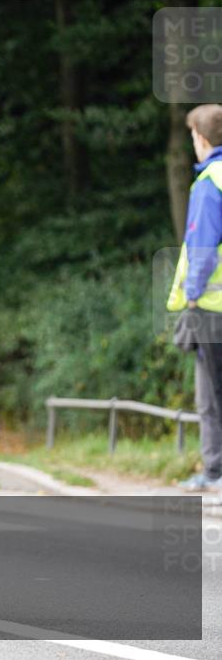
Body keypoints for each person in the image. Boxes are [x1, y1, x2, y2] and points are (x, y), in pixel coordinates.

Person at [167, 104, 222, 492]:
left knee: (211, 395)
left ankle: (216, 473)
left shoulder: (209, 183)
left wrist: (191, 297)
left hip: (212, 307)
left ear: (201, 139)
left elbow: (202, 250)